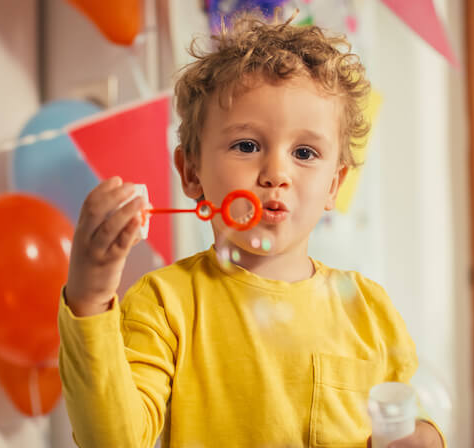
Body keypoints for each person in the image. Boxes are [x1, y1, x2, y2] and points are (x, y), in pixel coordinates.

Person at [58, 9, 445, 448]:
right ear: (191, 173)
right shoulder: (166, 304)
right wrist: (89, 297)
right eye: (247, 145)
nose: (276, 172)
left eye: (304, 152)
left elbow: (407, 414)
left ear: (333, 186)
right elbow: (113, 441)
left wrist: (424, 435)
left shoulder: (370, 312)